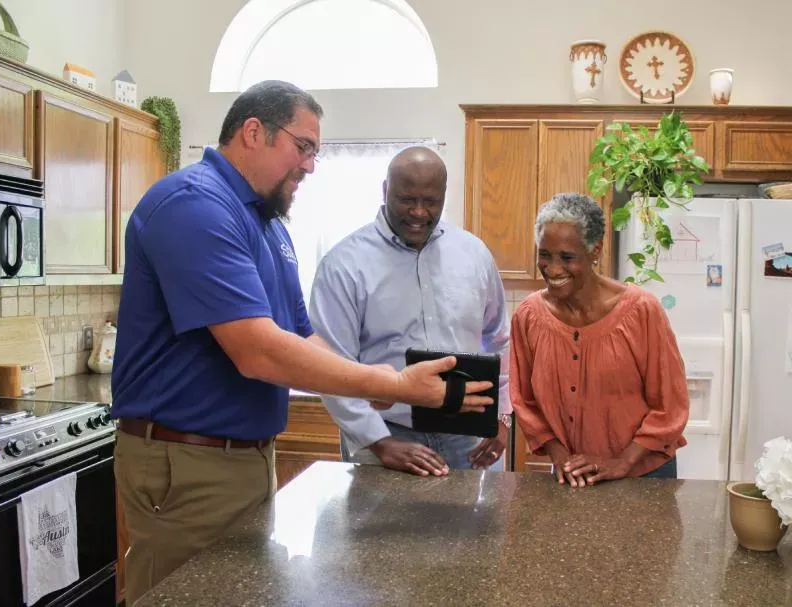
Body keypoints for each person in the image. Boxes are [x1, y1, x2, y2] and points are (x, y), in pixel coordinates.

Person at [111, 82, 493, 604]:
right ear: (253, 132)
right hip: (186, 461)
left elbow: (303, 336)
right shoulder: (194, 205)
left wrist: (368, 384)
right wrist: (389, 382)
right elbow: (257, 351)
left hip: (244, 458)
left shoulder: (267, 225)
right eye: (305, 147)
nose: (311, 165)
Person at [309, 147, 512, 477]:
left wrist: (501, 416)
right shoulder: (344, 265)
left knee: (476, 529)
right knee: (383, 531)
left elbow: (499, 339)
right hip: (387, 434)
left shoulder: (473, 254)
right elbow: (330, 365)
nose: (419, 212)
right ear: (385, 190)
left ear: (444, 196)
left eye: (430, 201)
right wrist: (378, 441)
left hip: (468, 436)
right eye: (406, 199)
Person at [509, 193, 689, 487]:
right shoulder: (528, 316)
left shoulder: (642, 311)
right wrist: (560, 456)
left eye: (567, 257)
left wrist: (622, 462)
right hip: (574, 476)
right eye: (545, 254)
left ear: (595, 251)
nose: (553, 269)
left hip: (644, 475)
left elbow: (670, 405)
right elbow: (525, 401)